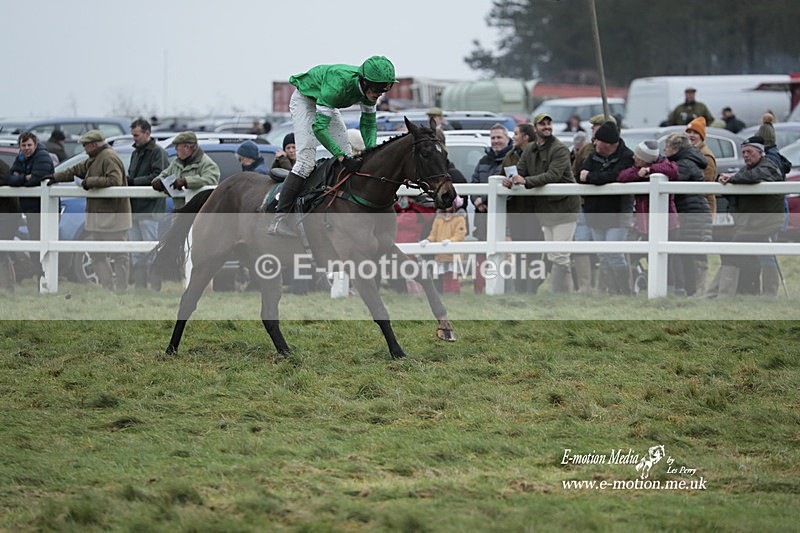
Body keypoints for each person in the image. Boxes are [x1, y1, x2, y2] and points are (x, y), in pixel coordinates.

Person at [267, 56, 397, 237]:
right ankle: (278, 219)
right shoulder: (338, 85)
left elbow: (368, 124)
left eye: (385, 87)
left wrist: (371, 152)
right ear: (364, 81)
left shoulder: (370, 90)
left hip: (326, 101)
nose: (380, 92)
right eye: (377, 87)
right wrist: (341, 157)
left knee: (349, 155)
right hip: (306, 99)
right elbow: (319, 128)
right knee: (306, 163)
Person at [48, 130, 131, 292]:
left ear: (94, 145)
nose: (84, 149)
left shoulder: (108, 157)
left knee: (119, 255)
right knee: (96, 253)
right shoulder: (94, 159)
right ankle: (108, 288)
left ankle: (121, 290)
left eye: (85, 146)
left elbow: (115, 180)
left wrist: (89, 182)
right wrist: (54, 177)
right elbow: (75, 170)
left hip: (113, 216)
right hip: (100, 216)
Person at [506, 114, 580, 293]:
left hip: (564, 209)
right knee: (552, 255)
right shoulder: (530, 148)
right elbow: (521, 170)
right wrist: (510, 180)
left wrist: (526, 181)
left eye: (549, 123)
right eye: (543, 124)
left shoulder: (560, 149)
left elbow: (553, 175)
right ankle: (564, 294)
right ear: (535, 128)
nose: (547, 127)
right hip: (545, 211)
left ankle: (562, 296)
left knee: (560, 256)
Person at [707, 139, 785, 298]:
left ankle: (721, 294)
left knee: (735, 252)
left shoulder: (768, 166)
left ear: (760, 152)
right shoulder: (747, 169)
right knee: (746, 254)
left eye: (749, 152)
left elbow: (755, 176)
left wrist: (732, 178)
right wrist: (724, 179)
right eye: (743, 152)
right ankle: (745, 292)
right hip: (752, 224)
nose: (746, 155)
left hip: (765, 223)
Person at [579, 120, 635, 294]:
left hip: (618, 212)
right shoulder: (593, 155)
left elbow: (615, 176)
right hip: (595, 212)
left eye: (598, 140)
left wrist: (591, 177)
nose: (594, 143)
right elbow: (580, 175)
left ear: (609, 144)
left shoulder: (627, 156)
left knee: (614, 253)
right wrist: (593, 177)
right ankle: (612, 290)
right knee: (602, 255)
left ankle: (625, 291)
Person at [663, 132, 712, 296]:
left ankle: (688, 290)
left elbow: (674, 180)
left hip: (690, 211)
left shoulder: (684, 164)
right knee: (685, 253)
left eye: (667, 146)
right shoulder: (688, 160)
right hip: (692, 210)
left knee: (686, 253)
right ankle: (689, 290)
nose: (664, 149)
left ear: (676, 148)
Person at [470, 123, 513, 294]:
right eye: (493, 138)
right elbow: (473, 182)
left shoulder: (510, 159)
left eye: (499, 137)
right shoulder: (483, 160)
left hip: (505, 217)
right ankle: (481, 289)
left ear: (507, 139)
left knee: (505, 255)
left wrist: (486, 199)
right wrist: (477, 201)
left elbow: (506, 185)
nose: (495, 141)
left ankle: (506, 289)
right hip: (482, 217)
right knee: (482, 253)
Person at [128, 118, 170, 291]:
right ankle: (140, 287)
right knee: (137, 252)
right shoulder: (136, 153)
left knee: (151, 250)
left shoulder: (158, 153)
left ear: (147, 133)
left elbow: (158, 176)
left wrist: (132, 182)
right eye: (133, 135)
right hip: (135, 208)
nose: (134, 138)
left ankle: (154, 287)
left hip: (150, 209)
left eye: (136, 135)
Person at [684, 116, 717, 293]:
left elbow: (705, 186)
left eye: (694, 132)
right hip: (690, 209)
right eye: (688, 132)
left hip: (702, 209)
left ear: (701, 136)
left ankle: (700, 288)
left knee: (699, 252)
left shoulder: (706, 157)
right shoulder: (691, 153)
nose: (690, 135)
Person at [152, 131, 220, 209]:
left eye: (177, 147)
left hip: (199, 212)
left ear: (187, 147)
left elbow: (211, 180)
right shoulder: (176, 162)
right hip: (179, 210)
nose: (175, 150)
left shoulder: (207, 163)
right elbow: (164, 174)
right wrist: (158, 181)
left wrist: (186, 181)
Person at [7, 131, 54, 242]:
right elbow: (9, 178)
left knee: (41, 241)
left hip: (42, 208)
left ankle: (39, 260)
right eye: (23, 145)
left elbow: (36, 179)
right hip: (31, 208)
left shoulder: (42, 156)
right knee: (34, 240)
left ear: (35, 145)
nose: (26, 148)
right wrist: (24, 178)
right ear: (19, 146)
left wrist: (19, 178)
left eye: (29, 145)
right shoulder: (21, 157)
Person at [419, 196, 468, 294]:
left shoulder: (459, 219)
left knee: (453, 277)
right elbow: (433, 234)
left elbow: (460, 235)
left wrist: (451, 241)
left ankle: (455, 295)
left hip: (454, 255)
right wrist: (428, 240)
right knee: (445, 277)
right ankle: (447, 296)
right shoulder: (438, 219)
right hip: (441, 255)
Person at [0, 158, 20, 291]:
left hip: (8, 214)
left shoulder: (2, 166)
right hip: (7, 213)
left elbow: (8, 180)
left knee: (3, 250)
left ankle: (8, 285)